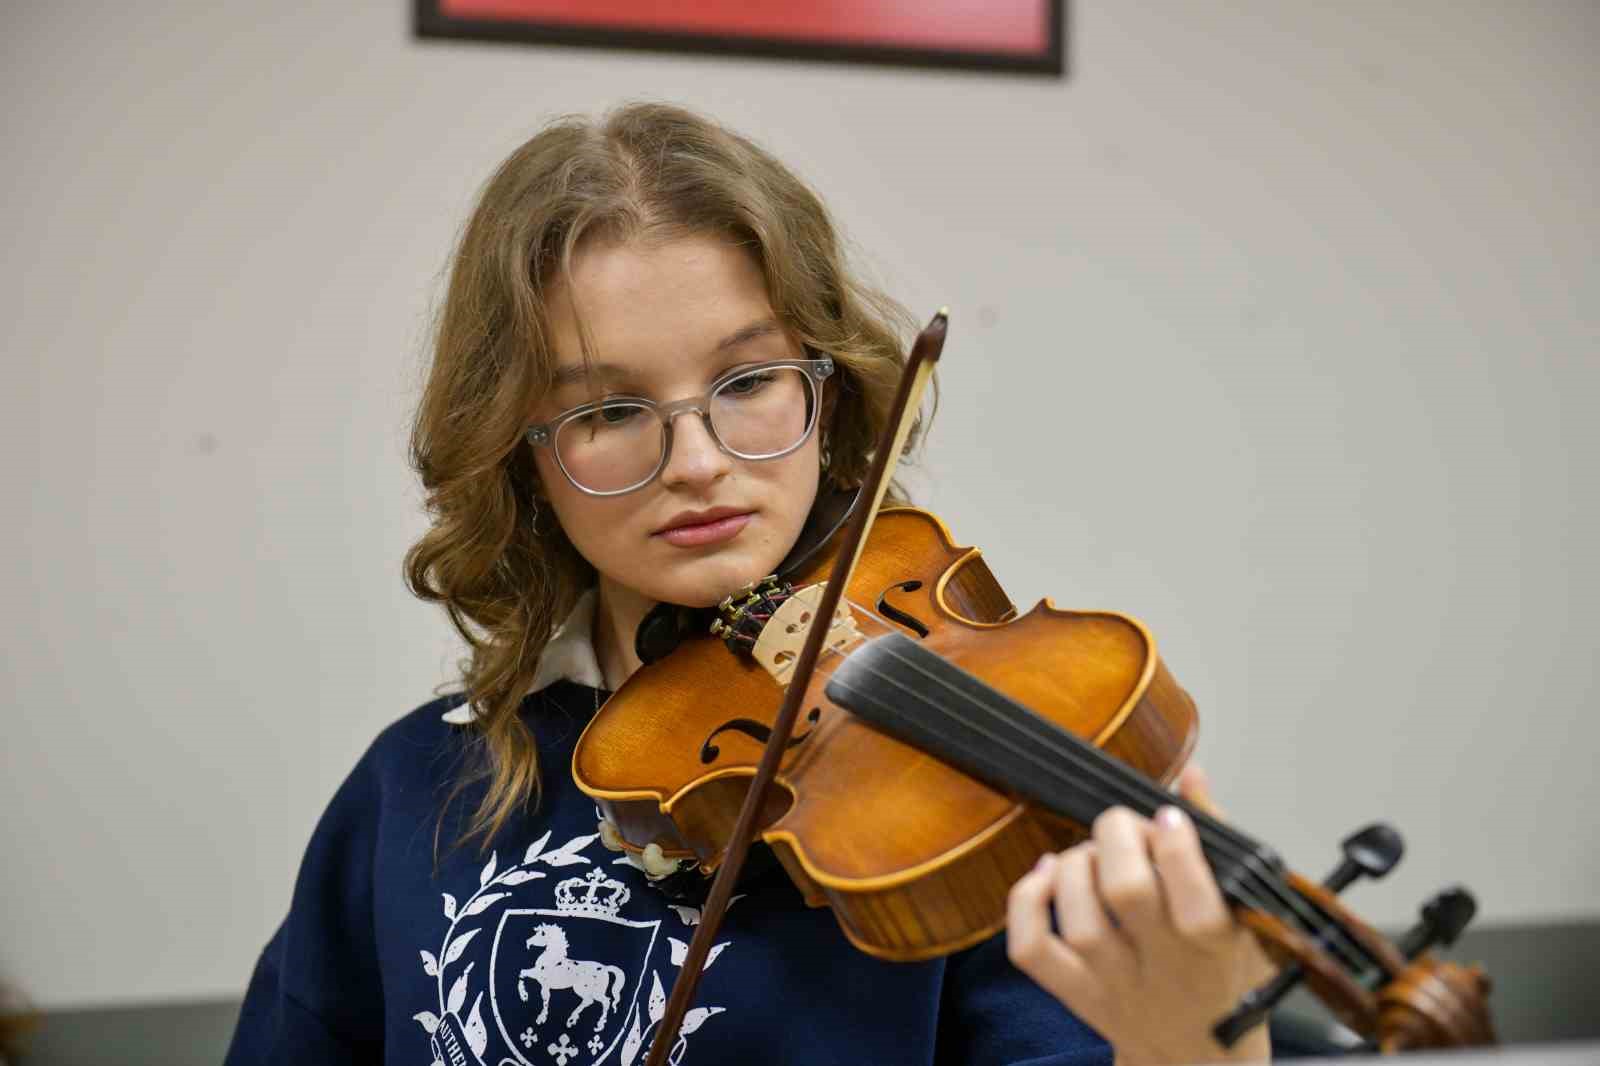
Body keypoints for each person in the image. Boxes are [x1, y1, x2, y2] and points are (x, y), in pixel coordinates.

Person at [226, 102, 1275, 1066]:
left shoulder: (970, 789)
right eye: (608, 411)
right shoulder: (413, 787)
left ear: (833, 387)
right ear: (523, 458)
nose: (696, 460)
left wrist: (1199, 1043)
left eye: (747, 381)